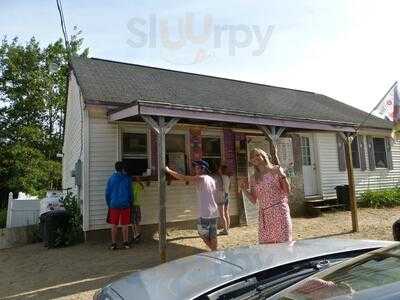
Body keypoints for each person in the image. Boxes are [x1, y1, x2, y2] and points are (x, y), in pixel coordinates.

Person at [240, 147, 292, 244]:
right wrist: (244, 190)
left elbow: (287, 191)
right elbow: (253, 200)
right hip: (264, 215)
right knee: (266, 248)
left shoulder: (276, 169)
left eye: (257, 155)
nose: (255, 158)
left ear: (263, 155)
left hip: (280, 212)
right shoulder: (253, 178)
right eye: (252, 157)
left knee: (284, 245)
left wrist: (282, 175)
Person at [165, 160, 219, 251]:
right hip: (214, 212)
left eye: (197, 167)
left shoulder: (201, 178)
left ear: (203, 169)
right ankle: (215, 250)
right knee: (213, 235)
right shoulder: (211, 179)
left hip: (205, 213)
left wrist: (169, 171)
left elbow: (183, 178)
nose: (195, 169)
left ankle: (214, 251)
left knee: (202, 234)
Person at [105, 161, 132, 250]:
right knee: (125, 225)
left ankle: (113, 244)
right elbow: (130, 193)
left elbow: (107, 193)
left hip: (114, 204)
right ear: (123, 168)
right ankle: (125, 243)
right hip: (125, 204)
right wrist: (130, 202)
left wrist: (109, 203)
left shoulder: (111, 179)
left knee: (114, 225)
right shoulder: (127, 179)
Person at [216, 165, 231, 235]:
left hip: (221, 195)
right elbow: (229, 187)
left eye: (219, 169)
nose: (218, 170)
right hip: (227, 194)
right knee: (226, 212)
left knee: (222, 214)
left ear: (221, 170)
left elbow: (219, 187)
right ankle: (227, 228)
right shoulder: (228, 177)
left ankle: (225, 230)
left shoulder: (220, 177)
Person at [131, 176, 144, 242]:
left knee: (132, 221)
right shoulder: (138, 185)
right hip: (137, 205)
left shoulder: (129, 185)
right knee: (137, 221)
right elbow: (142, 187)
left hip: (130, 205)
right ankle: (138, 234)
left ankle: (135, 235)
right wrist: (139, 180)